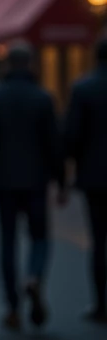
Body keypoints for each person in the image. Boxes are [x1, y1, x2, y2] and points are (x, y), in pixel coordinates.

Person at [0, 41, 64, 330]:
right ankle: (34, 276)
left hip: (4, 180)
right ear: (31, 64)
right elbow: (54, 144)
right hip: (36, 180)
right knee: (39, 236)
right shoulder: (43, 98)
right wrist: (61, 181)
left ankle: (12, 306)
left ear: (7, 65)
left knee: (7, 241)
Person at [64, 36, 107, 322]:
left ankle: (101, 304)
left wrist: (68, 172)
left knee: (99, 241)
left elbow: (72, 138)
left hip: (96, 177)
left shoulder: (84, 89)